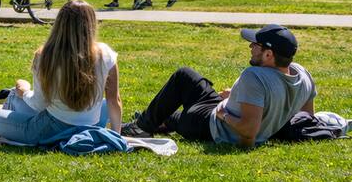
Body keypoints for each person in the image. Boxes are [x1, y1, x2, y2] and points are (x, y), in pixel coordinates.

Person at [121, 24, 316, 148]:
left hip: (212, 126)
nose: (250, 47)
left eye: (255, 45)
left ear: (268, 55)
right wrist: (241, 98)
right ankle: (151, 121)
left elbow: (248, 133)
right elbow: (307, 118)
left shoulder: (255, 76)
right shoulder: (302, 74)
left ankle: (142, 127)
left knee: (181, 78)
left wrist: (225, 115)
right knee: (190, 79)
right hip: (223, 108)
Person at [0, 0, 122, 144]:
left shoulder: (46, 55)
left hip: (51, 130)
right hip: (91, 125)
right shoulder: (106, 53)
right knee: (103, 104)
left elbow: (39, 103)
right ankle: (6, 104)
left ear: (59, 24)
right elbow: (114, 101)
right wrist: (116, 137)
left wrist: (24, 91)